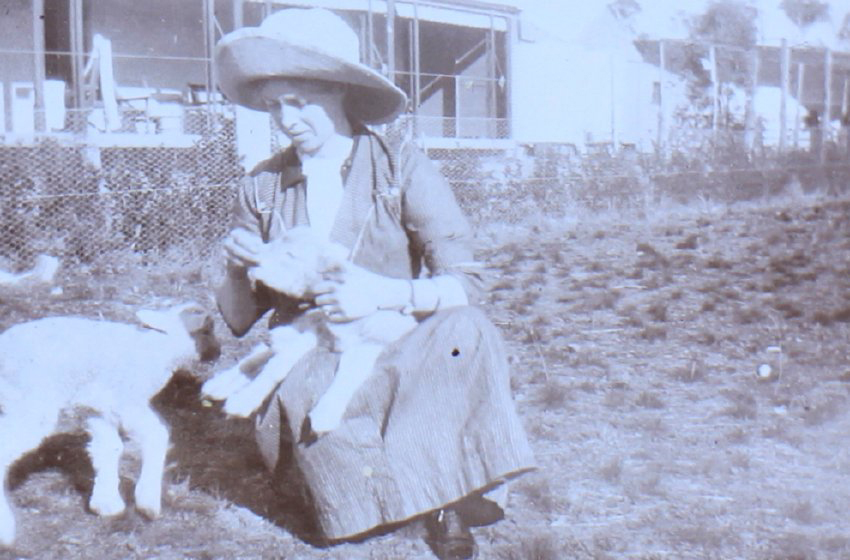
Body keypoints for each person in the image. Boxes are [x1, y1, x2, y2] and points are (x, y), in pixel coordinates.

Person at [213, 8, 535, 560]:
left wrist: (383, 293)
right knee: (336, 467)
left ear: (339, 92)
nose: (286, 120)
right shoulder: (263, 186)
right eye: (274, 106)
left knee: (466, 330)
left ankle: (443, 503)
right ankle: (399, 489)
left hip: (395, 338)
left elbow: (467, 283)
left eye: (299, 102)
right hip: (309, 355)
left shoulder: (400, 168)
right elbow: (241, 320)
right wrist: (237, 267)